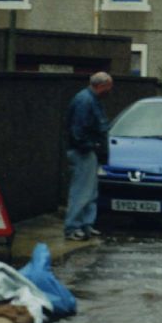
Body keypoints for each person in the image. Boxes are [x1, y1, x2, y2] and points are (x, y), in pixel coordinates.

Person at [64, 72, 112, 240]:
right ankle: (73, 227)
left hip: (87, 150)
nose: (110, 90)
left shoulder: (88, 99)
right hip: (83, 151)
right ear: (102, 85)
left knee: (89, 190)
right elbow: (78, 131)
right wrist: (91, 146)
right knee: (82, 190)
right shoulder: (86, 101)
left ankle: (85, 225)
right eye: (109, 87)